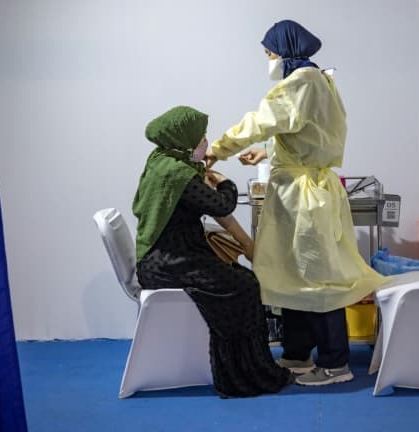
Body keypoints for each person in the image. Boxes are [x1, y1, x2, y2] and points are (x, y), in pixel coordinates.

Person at [205, 20, 386, 386]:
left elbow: (261, 120)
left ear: (286, 51)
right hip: (299, 190)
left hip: (304, 196)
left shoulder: (302, 81)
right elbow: (307, 132)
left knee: (317, 277)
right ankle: (297, 354)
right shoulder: (319, 81)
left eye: (269, 53)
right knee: (289, 273)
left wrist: (217, 150)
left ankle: (334, 364)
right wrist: (268, 152)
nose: (269, 60)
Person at [133, 105, 292, 398]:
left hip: (166, 256)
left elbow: (218, 212)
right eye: (201, 137)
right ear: (183, 138)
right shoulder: (176, 175)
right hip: (169, 262)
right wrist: (224, 181)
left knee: (243, 279)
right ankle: (241, 375)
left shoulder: (164, 161)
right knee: (244, 287)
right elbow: (222, 205)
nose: (206, 142)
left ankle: (250, 365)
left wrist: (248, 245)